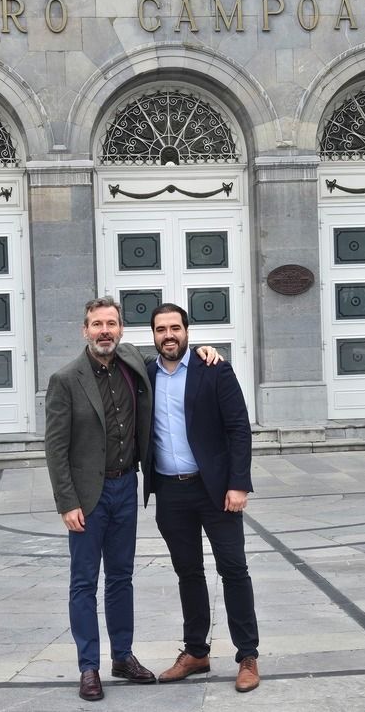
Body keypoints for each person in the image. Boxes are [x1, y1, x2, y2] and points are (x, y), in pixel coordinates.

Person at [44, 296, 220, 702]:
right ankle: (89, 666)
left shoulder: (132, 363)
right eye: (96, 324)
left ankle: (122, 657)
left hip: (127, 487)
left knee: (121, 578)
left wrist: (209, 351)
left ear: (121, 330)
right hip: (88, 495)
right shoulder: (66, 379)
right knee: (84, 582)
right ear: (84, 330)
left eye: (111, 323)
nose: (104, 331)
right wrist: (66, 502)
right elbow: (55, 448)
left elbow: (176, 354)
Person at [145, 302, 261, 693]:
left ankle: (247, 655)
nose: (169, 335)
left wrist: (238, 483)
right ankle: (196, 651)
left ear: (187, 332)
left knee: (233, 569)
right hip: (170, 490)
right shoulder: (145, 374)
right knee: (188, 573)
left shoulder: (213, 369)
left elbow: (238, 428)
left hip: (215, 490)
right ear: (154, 336)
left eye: (175, 328)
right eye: (161, 329)